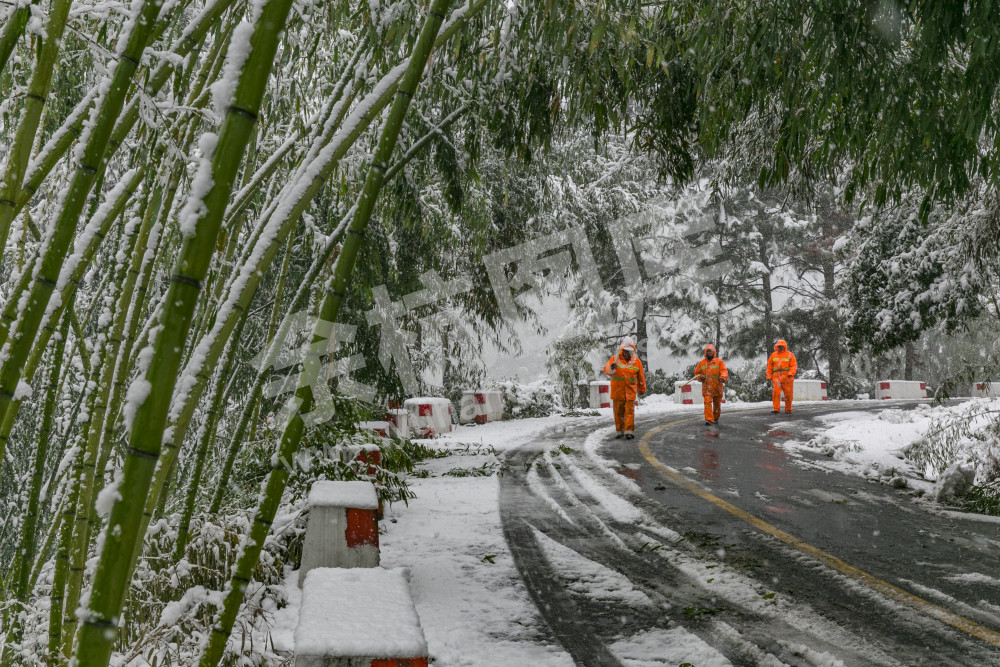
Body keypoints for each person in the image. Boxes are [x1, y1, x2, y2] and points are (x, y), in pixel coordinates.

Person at [602, 336, 646, 439]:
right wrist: (611, 367)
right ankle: (620, 431)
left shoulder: (636, 361)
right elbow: (606, 371)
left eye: (630, 351)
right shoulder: (614, 359)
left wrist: (642, 389)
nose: (628, 353)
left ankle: (629, 431)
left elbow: (641, 377)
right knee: (618, 412)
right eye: (626, 351)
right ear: (622, 350)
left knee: (629, 412)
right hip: (617, 392)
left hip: (630, 392)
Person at [695, 343, 728, 425]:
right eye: (708, 351)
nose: (709, 353)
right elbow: (697, 373)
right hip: (707, 387)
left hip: (717, 386)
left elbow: (724, 371)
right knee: (707, 403)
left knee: (717, 404)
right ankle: (709, 419)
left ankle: (716, 418)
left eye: (711, 351)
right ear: (705, 353)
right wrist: (700, 377)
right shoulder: (701, 363)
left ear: (714, 352)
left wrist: (723, 378)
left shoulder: (719, 362)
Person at [767, 339, 797, 414]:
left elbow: (794, 365)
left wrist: (791, 373)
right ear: (777, 347)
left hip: (787, 377)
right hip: (776, 377)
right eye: (779, 346)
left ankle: (788, 409)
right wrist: (768, 378)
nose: (780, 348)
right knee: (776, 393)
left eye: (781, 346)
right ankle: (776, 409)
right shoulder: (773, 355)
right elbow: (769, 367)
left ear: (784, 346)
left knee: (788, 394)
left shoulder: (790, 355)